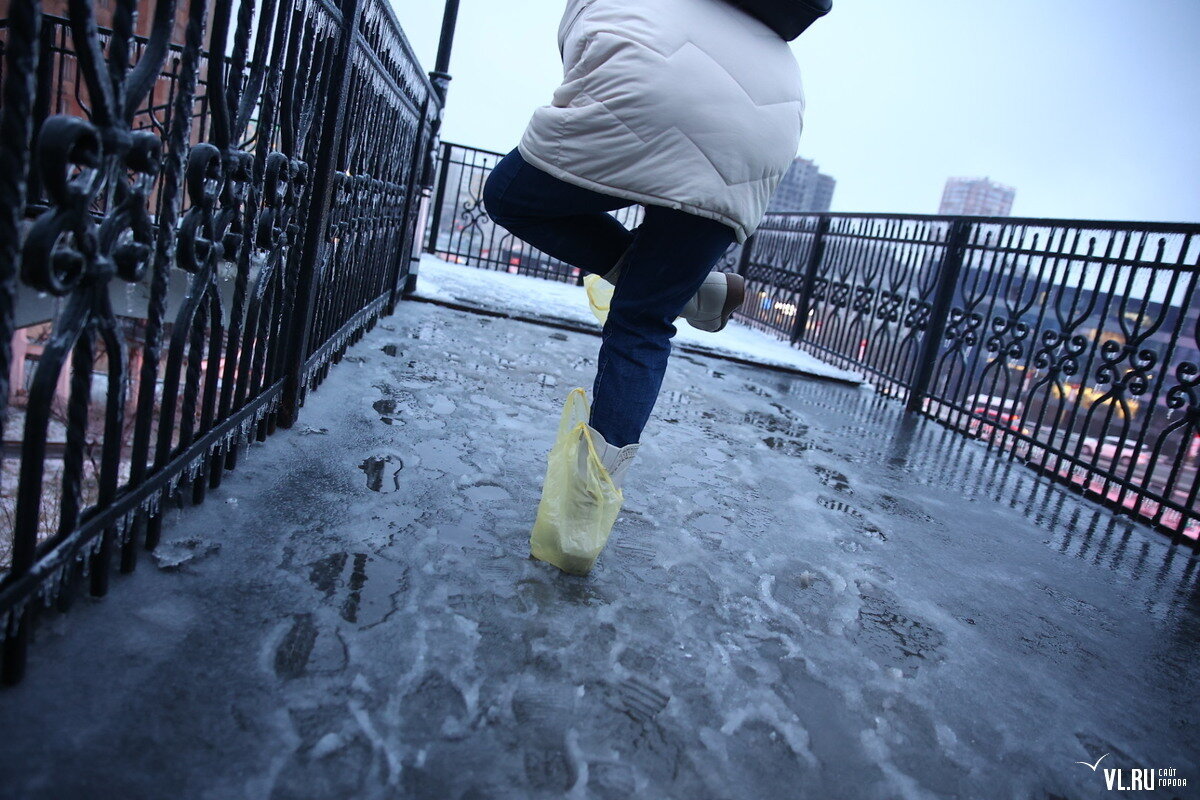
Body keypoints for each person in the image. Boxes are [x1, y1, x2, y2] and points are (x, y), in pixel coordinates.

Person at [483, 0, 815, 572]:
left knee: (513, 196)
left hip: (646, 92)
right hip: (758, 137)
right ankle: (581, 527)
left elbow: (583, 33)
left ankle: (694, 292)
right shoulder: (775, 21)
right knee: (641, 321)